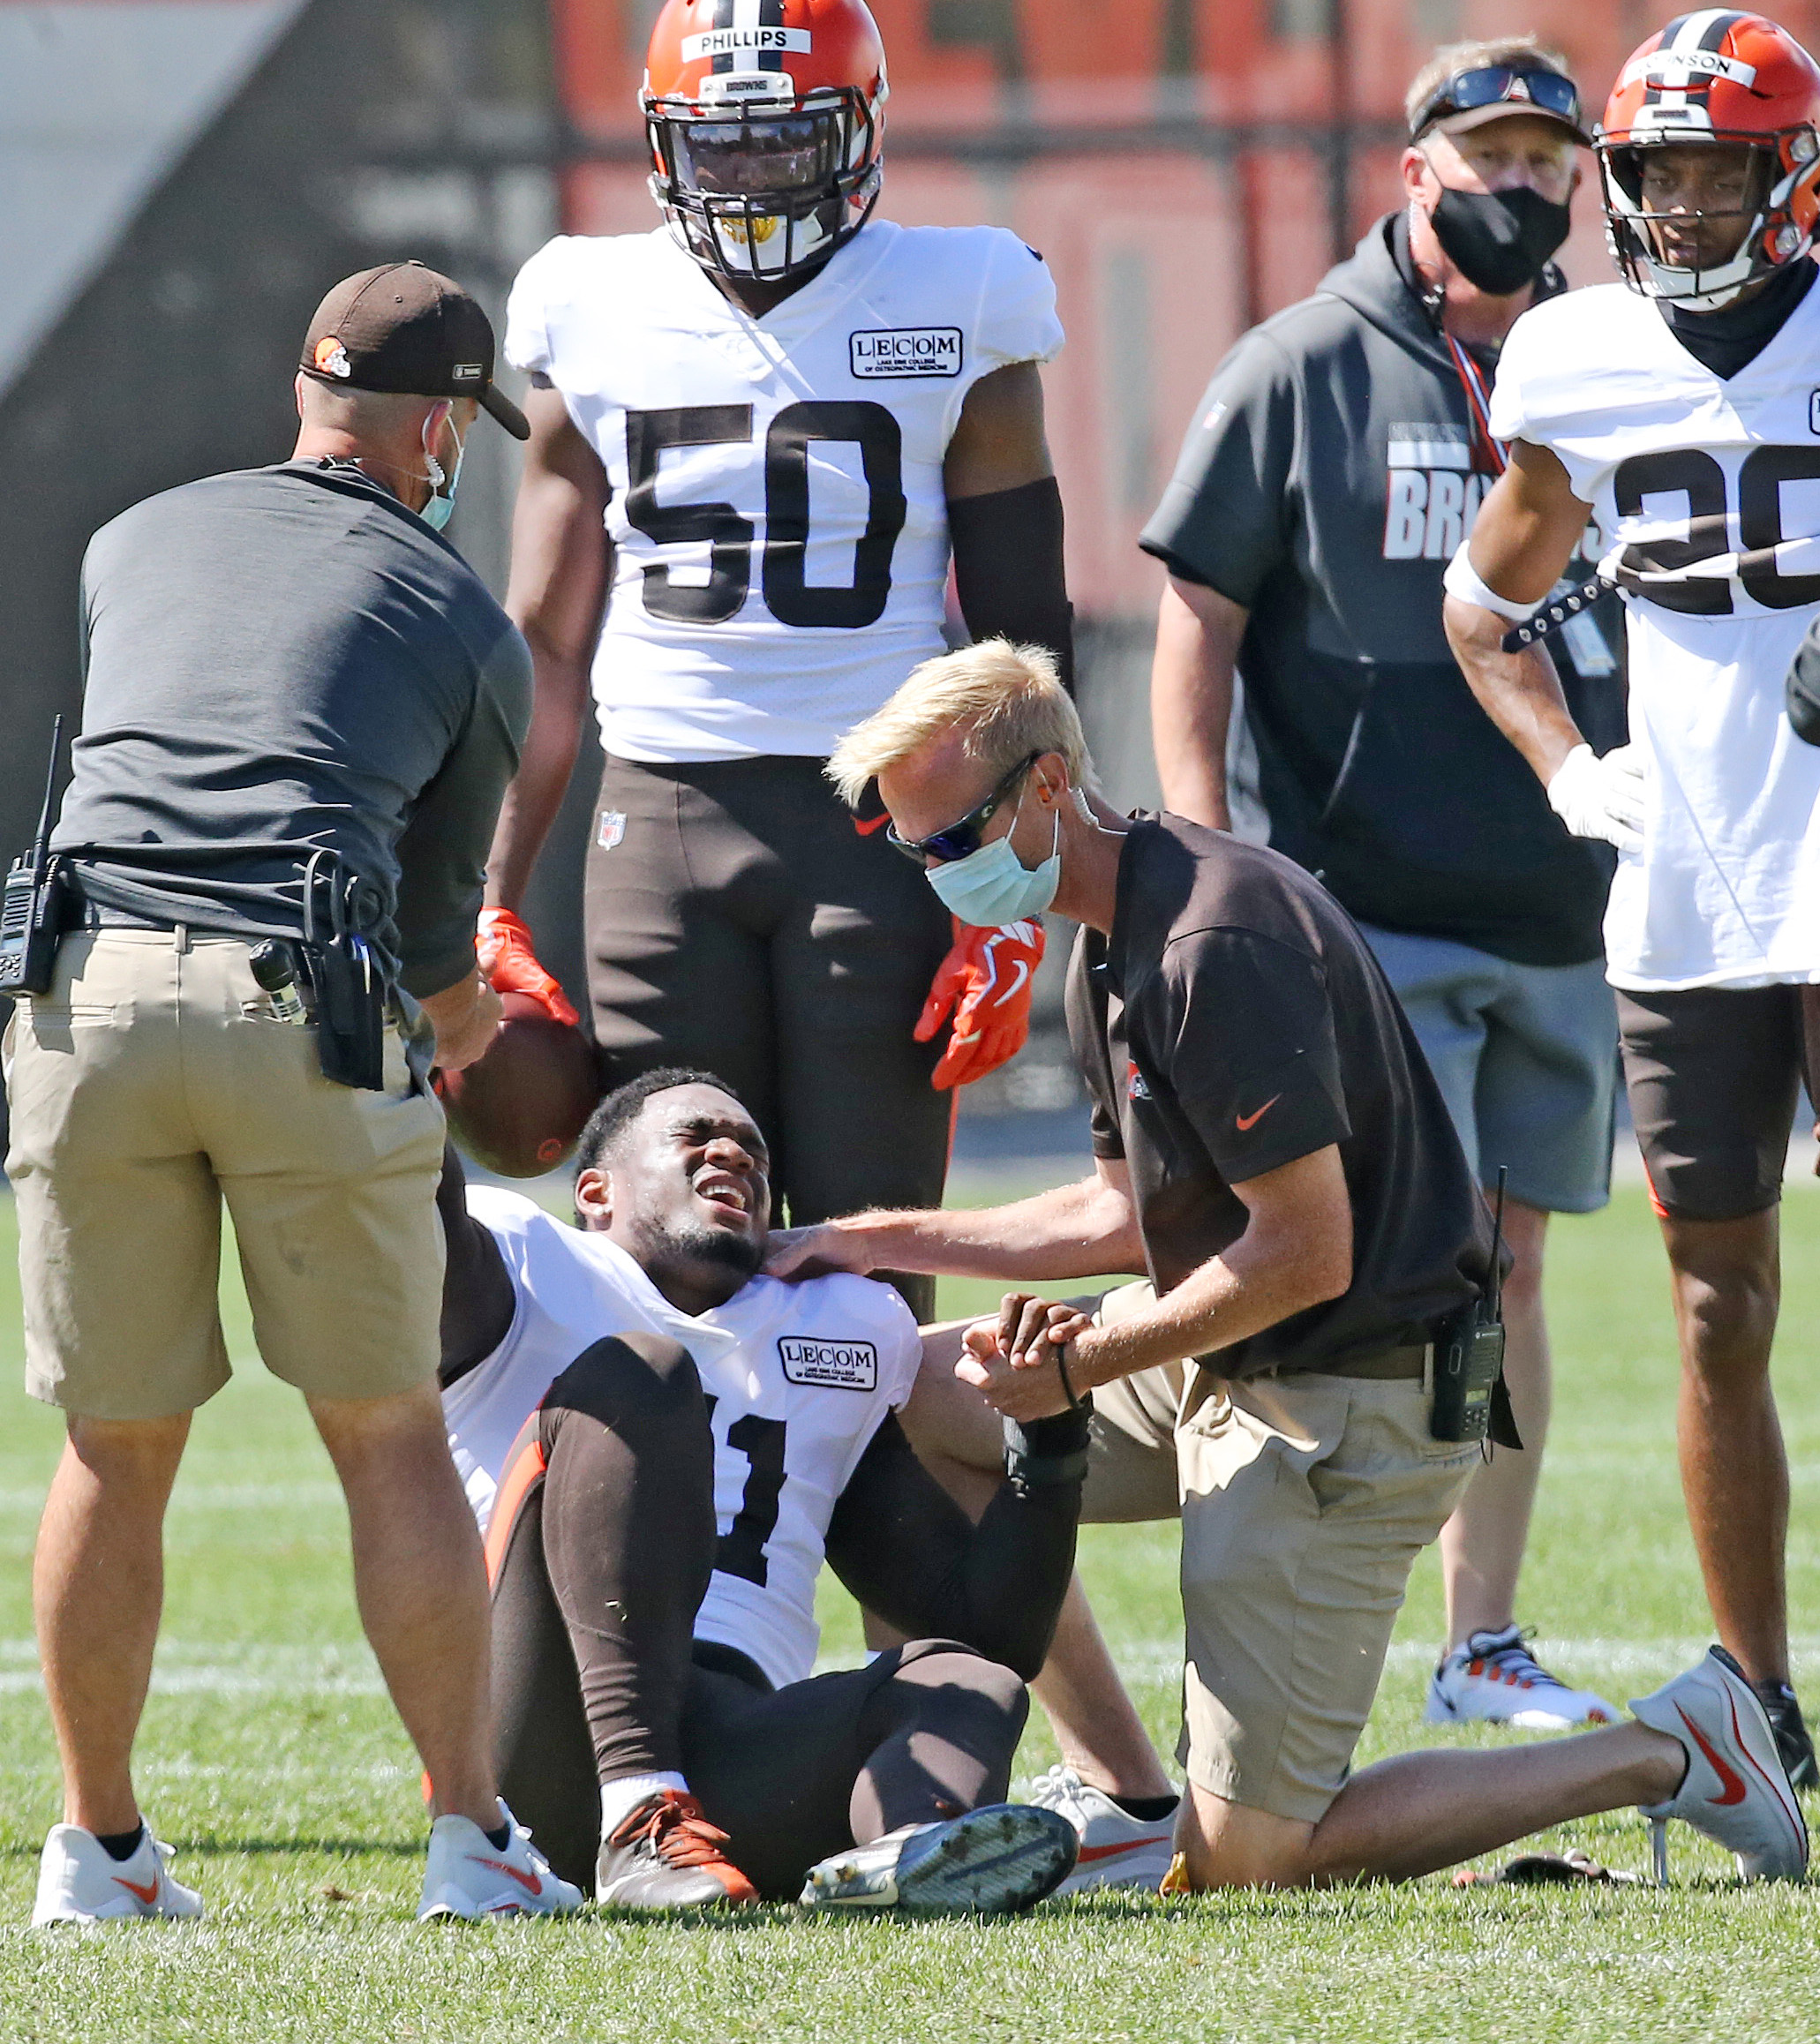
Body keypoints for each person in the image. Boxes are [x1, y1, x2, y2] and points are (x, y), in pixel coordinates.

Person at [768, 640, 1807, 1890]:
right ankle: (1125, 1791)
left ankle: (1675, 1746)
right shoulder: (1106, 927)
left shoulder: (1212, 938)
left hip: (1348, 1396)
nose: (938, 875)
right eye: (912, 851)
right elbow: (1119, 1212)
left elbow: (1306, 1257)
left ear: (1048, 784)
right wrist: (864, 1239)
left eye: (949, 841)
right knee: (904, 1397)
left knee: (1251, 1864)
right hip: (1234, 1354)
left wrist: (1081, 1360)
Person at [11, 262, 581, 1927]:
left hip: (80, 987)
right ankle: (473, 1846)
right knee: (386, 1432)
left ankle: (95, 1857)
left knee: (112, 1447)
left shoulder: (132, 541)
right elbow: (434, 978)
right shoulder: (465, 621)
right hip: (300, 1002)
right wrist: (491, 1033)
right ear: (427, 431)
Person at [1143, 37, 1626, 1733]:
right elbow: (1195, 616)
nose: (1519, 187)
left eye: (1545, 160)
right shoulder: (1297, 366)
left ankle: (1479, 1639)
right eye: (1485, 154)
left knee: (1512, 1268)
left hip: (1566, 897)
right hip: (1358, 913)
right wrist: (1201, 871)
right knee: (1359, 1268)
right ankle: (1310, 1619)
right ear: (1411, 168)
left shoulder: (1608, 358)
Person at [479, 0, 1074, 1320]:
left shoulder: (959, 291)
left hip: (882, 820)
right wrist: (491, 893)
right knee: (667, 1273)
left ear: (858, 131)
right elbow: (544, 644)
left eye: (783, 140)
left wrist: (1013, 891)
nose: (747, 176)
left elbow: (1021, 637)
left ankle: (875, 1527)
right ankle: (680, 1536)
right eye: (719, 145)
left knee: (865, 1269)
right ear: (660, 146)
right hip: (661, 820)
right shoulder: (587, 299)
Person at [1444, 9, 1820, 1792]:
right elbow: (1480, 607)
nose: (1679, 207)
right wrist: (1568, 767)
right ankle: (1763, 1698)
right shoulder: (1578, 356)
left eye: (1717, 170)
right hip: (1685, 886)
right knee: (1714, 1306)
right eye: (1655, 173)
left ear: (1791, 175)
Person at [432, 1071, 1087, 1912]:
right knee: (645, 1372)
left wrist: (1050, 1437)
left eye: (755, 1152)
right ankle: (638, 1811)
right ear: (596, 1192)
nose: (733, 1153)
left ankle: (905, 1860)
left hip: (730, 1751)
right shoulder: (520, 1264)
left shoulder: (833, 1335)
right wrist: (417, 1052)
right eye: (696, 1135)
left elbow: (986, 1630)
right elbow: (416, 1193)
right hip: (536, 1732)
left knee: (965, 1680)